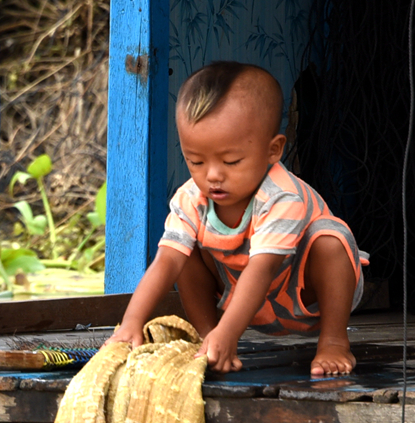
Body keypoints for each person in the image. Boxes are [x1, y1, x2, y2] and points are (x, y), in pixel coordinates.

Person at [108, 61, 366, 376]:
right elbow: (165, 262)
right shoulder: (191, 198)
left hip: (303, 296)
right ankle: (208, 340)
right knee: (181, 251)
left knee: (330, 240)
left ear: (274, 150)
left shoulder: (281, 196)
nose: (213, 176)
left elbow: (262, 270)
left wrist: (230, 333)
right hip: (240, 297)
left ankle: (335, 342)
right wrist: (131, 322)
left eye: (231, 161)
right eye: (196, 161)